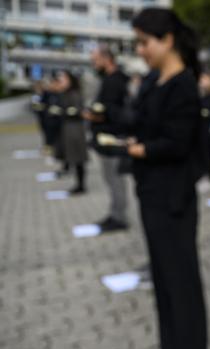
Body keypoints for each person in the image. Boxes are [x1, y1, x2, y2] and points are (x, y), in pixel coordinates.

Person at [128, 8, 207, 349]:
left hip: (174, 201)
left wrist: (143, 149)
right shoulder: (151, 80)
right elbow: (138, 120)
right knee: (162, 282)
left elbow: (178, 143)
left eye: (145, 42)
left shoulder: (184, 85)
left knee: (182, 285)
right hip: (150, 194)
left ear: (167, 40)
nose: (140, 50)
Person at [84, 46, 131, 232]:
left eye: (96, 60)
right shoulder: (111, 79)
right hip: (107, 137)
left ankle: (119, 217)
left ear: (107, 59)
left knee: (115, 178)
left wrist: (95, 116)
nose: (94, 64)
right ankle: (115, 213)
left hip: (113, 137)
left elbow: (113, 111)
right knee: (111, 178)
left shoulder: (114, 81)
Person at [55, 70, 88, 194]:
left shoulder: (75, 93)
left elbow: (78, 110)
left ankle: (81, 185)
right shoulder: (65, 93)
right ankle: (79, 183)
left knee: (78, 156)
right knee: (73, 156)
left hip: (75, 128)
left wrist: (67, 111)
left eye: (63, 79)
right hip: (68, 127)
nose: (61, 82)